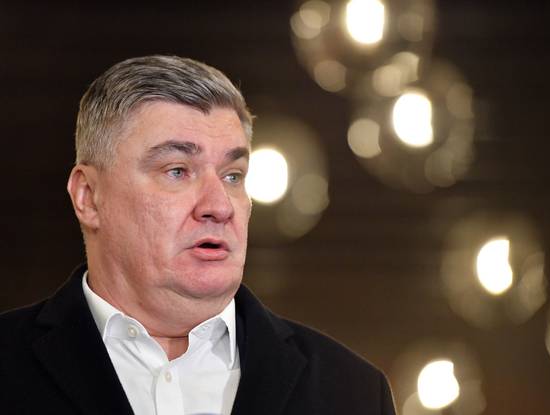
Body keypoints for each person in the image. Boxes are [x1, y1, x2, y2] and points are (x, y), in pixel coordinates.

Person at [0, 55, 396, 415]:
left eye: (233, 176)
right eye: (177, 171)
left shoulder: (353, 392)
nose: (219, 206)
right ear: (88, 196)